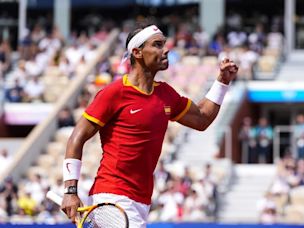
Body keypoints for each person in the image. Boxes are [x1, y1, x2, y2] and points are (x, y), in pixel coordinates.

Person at [61, 21, 238, 228]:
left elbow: (202, 118)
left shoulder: (166, 94)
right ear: (137, 52)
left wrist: (222, 82)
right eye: (157, 45)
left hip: (141, 201)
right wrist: (70, 191)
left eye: (164, 44)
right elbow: (76, 138)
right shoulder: (113, 93)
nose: (165, 50)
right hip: (112, 197)